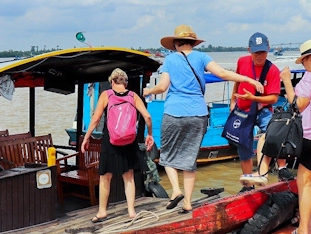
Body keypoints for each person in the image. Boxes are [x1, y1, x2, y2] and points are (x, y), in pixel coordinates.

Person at [143, 25, 264, 212]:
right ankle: (188, 202)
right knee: (190, 159)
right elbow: (223, 74)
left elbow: (163, 86)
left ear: (176, 43)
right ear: (193, 43)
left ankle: (176, 191)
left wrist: (149, 90)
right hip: (198, 114)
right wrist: (248, 80)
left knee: (166, 154)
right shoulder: (201, 57)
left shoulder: (170, 59)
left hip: (174, 112)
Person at [241, 39, 311, 234]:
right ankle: (304, 231)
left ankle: (262, 174)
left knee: (265, 138)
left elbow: (298, 105)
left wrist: (287, 80)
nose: (303, 65)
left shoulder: (310, 79)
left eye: (304, 61)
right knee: (305, 184)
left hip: (304, 135)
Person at [82, 68, 155, 223]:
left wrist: (86, 138)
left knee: (105, 177)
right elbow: (147, 116)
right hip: (129, 140)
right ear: (126, 82)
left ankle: (102, 212)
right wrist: (150, 134)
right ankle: (131, 212)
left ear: (112, 82)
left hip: (111, 140)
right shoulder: (133, 96)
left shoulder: (106, 95)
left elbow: (95, 120)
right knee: (128, 177)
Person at [231, 32, 281, 192]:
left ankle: (270, 171)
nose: (259, 56)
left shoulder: (273, 70)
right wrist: (232, 101)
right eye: (256, 52)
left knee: (274, 135)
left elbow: (273, 98)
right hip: (243, 109)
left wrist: (253, 98)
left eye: (263, 52)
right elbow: (237, 81)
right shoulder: (242, 62)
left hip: (262, 109)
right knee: (243, 146)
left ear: (268, 50)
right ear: (249, 50)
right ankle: (248, 184)